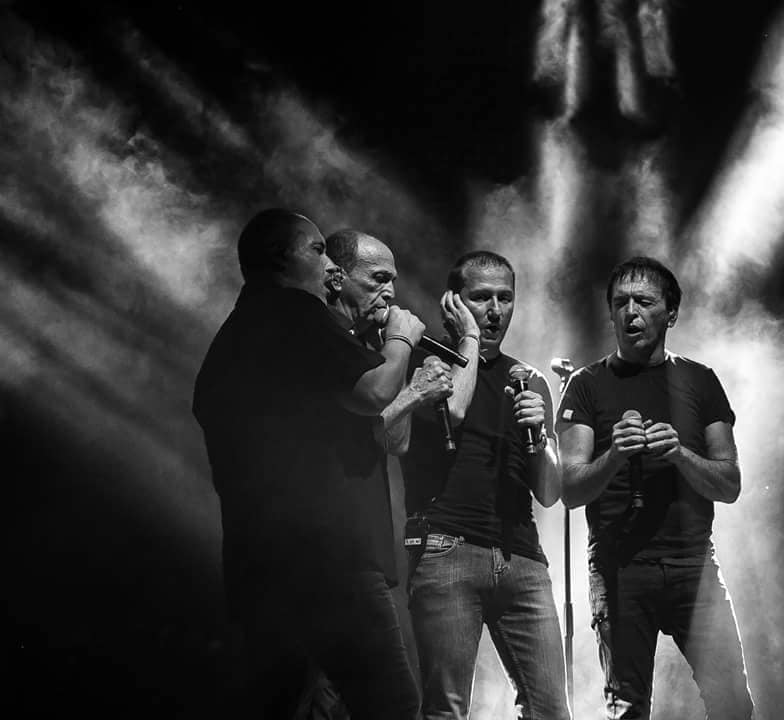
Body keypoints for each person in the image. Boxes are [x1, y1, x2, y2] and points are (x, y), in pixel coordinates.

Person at [192, 209, 437, 719]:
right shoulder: (292, 314)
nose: (329, 267)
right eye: (318, 250)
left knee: (281, 705)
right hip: (329, 562)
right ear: (281, 256)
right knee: (392, 704)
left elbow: (380, 431)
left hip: (257, 564)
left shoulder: (233, 337)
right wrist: (401, 340)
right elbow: (373, 394)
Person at [556, 256, 754, 719]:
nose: (630, 312)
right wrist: (614, 455)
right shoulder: (585, 385)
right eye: (620, 303)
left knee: (733, 704)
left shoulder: (700, 381)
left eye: (644, 302)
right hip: (619, 566)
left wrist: (680, 454)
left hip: (693, 564)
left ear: (671, 313)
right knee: (627, 709)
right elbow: (570, 489)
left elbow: (729, 484)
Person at [399, 251, 571, 720]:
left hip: (522, 559)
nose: (495, 311)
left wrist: (542, 438)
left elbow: (550, 492)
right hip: (449, 549)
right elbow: (453, 410)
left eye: (505, 298)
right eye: (481, 298)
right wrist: (470, 340)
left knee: (552, 710)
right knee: (448, 709)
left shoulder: (528, 380)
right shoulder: (426, 362)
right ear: (454, 302)